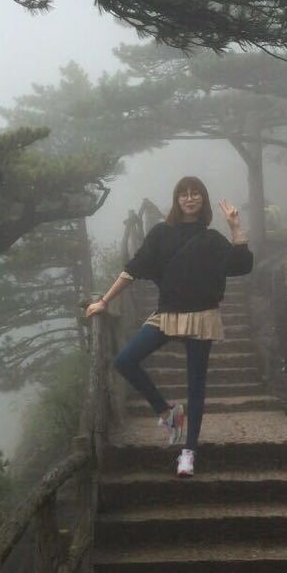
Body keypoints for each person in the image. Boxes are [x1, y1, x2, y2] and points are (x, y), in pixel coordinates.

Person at [85, 176, 253, 477]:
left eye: (196, 195)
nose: (190, 199)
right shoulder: (161, 233)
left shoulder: (212, 239)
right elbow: (133, 268)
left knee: (196, 387)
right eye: (184, 195)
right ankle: (167, 412)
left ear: (203, 200)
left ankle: (188, 452)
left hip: (202, 315)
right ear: (176, 200)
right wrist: (105, 301)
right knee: (125, 360)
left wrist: (236, 226)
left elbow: (241, 265)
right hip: (167, 313)